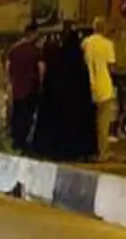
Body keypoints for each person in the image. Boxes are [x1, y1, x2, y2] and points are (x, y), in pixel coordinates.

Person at [34, 26, 96, 161]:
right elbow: (85, 89)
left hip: (58, 105)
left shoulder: (58, 61)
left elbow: (50, 82)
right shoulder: (80, 64)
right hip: (76, 107)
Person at [82, 17, 118, 161]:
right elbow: (111, 67)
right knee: (103, 123)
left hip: (88, 86)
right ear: (104, 28)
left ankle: (90, 150)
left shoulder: (85, 43)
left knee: (89, 122)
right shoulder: (108, 44)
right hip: (104, 87)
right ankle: (102, 152)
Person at [6, 23, 44, 151]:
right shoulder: (35, 51)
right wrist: (41, 84)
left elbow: (7, 67)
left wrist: (11, 82)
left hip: (17, 88)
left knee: (17, 114)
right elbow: (41, 68)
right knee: (27, 116)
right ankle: (23, 142)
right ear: (32, 34)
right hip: (30, 88)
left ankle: (16, 140)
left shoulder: (13, 49)